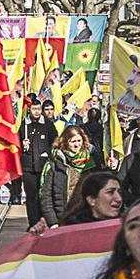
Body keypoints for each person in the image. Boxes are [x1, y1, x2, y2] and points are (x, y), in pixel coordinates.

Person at [36, 125, 95, 230]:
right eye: (72, 142)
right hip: (62, 220)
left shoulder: (92, 161)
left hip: (87, 221)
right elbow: (46, 195)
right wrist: (52, 222)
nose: (77, 145)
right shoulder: (55, 163)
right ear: (65, 142)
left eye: (79, 141)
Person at [19, 95, 56, 227]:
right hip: (28, 166)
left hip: (43, 166)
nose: (36, 112)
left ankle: (43, 220)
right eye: (34, 109)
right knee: (31, 196)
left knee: (43, 195)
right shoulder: (23, 125)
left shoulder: (48, 125)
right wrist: (22, 144)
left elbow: (55, 142)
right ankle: (33, 222)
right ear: (29, 109)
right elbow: (15, 145)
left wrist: (50, 154)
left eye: (39, 109)